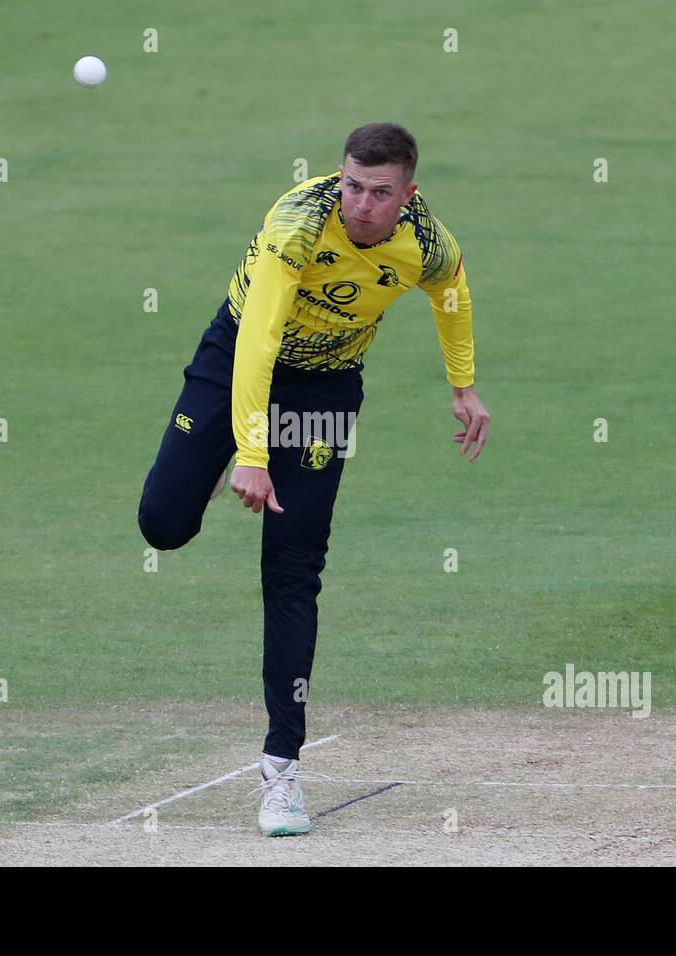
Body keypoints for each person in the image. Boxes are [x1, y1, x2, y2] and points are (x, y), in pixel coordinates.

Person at [137, 122, 490, 836]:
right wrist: (252, 453)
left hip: (325, 393)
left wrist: (463, 385)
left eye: (380, 193)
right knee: (164, 526)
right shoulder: (297, 224)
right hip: (235, 358)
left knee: (294, 566)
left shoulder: (425, 241)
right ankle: (208, 470)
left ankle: (281, 773)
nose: (362, 203)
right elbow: (260, 341)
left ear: (407, 194)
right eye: (353, 185)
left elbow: (450, 288)